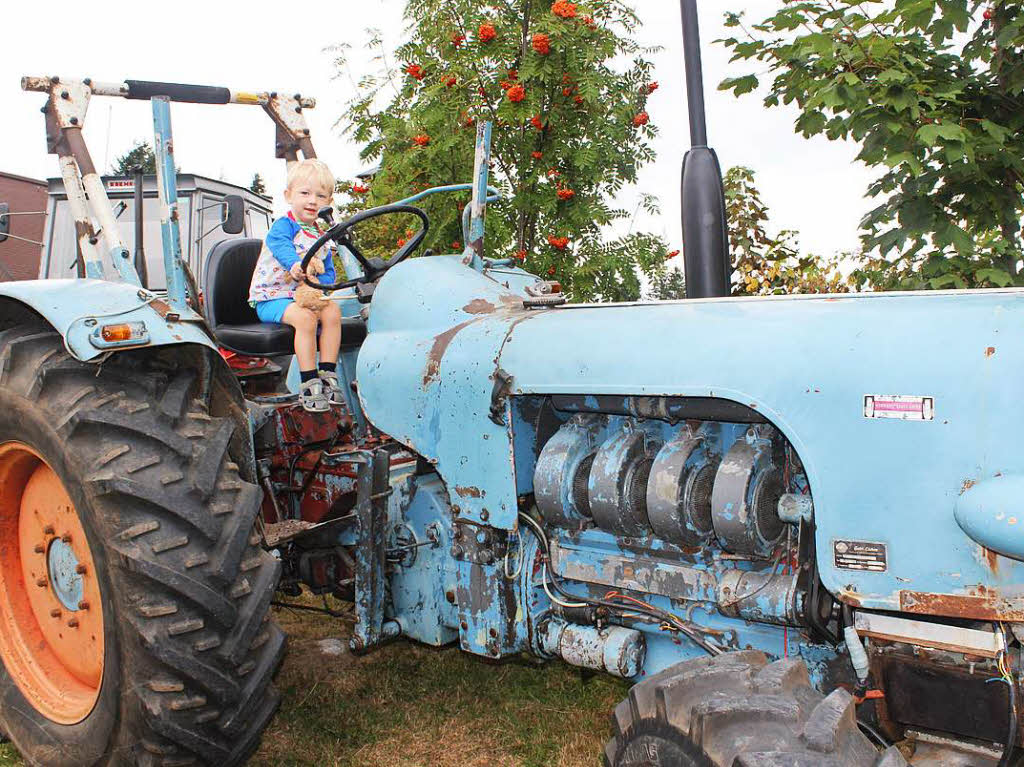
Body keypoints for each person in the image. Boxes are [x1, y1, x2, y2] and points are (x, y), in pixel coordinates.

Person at [249, 159, 344, 412]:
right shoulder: (284, 225)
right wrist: (295, 266)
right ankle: (308, 381)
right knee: (306, 320)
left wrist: (322, 287)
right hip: (272, 299)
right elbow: (281, 246)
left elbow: (328, 270)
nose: (312, 200)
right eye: (305, 193)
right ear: (288, 195)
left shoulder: (321, 235)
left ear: (328, 202)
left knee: (333, 311)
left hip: (302, 297)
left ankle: (328, 374)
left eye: (320, 195)